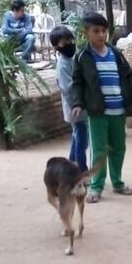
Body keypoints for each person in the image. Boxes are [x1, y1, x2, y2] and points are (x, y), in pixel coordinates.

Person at [70, 12, 132, 202]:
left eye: (104, 31)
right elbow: (77, 83)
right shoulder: (82, 57)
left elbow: (129, 77)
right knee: (99, 150)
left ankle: (117, 182)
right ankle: (96, 186)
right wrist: (77, 103)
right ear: (87, 33)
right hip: (97, 112)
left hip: (118, 110)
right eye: (96, 31)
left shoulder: (116, 54)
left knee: (119, 147)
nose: (101, 35)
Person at [50, 24, 88, 171]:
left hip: (82, 106)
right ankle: (81, 170)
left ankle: (71, 165)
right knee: (82, 141)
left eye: (69, 40)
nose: (68, 44)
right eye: (63, 42)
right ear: (56, 47)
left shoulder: (76, 57)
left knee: (77, 137)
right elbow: (68, 89)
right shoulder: (63, 65)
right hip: (75, 108)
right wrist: (78, 104)